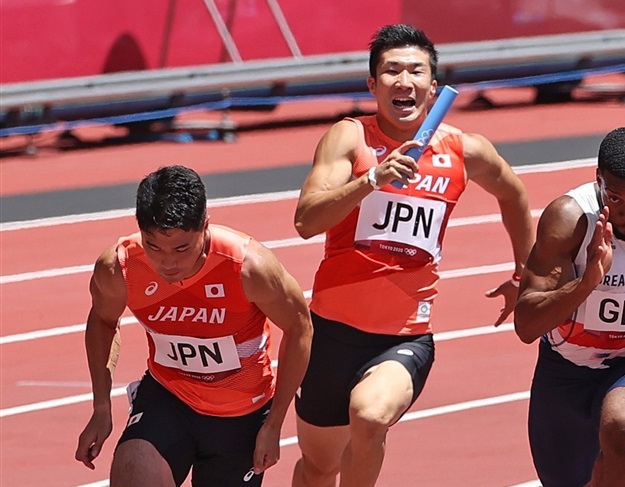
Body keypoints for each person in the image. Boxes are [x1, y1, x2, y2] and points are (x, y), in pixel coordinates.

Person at [291, 24, 534, 487]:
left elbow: (515, 195)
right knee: (319, 467)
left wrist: (524, 272)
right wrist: (371, 181)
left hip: (403, 338)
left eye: (415, 70)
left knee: (369, 415)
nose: (404, 80)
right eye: (391, 71)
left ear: (433, 86)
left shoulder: (464, 148)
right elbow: (305, 221)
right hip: (329, 335)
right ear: (372, 85)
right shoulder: (349, 139)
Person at [74, 165, 313, 487]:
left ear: (205, 227)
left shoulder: (250, 268)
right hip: (169, 397)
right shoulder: (120, 267)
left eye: (182, 248)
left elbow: (300, 328)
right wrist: (101, 406)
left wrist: (274, 424)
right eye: (153, 246)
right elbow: (103, 320)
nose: (167, 262)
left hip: (240, 414)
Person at [514, 127, 625, 487]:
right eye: (617, 198)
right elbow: (527, 325)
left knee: (620, 426)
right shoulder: (570, 219)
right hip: (567, 367)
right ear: (598, 182)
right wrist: (587, 282)